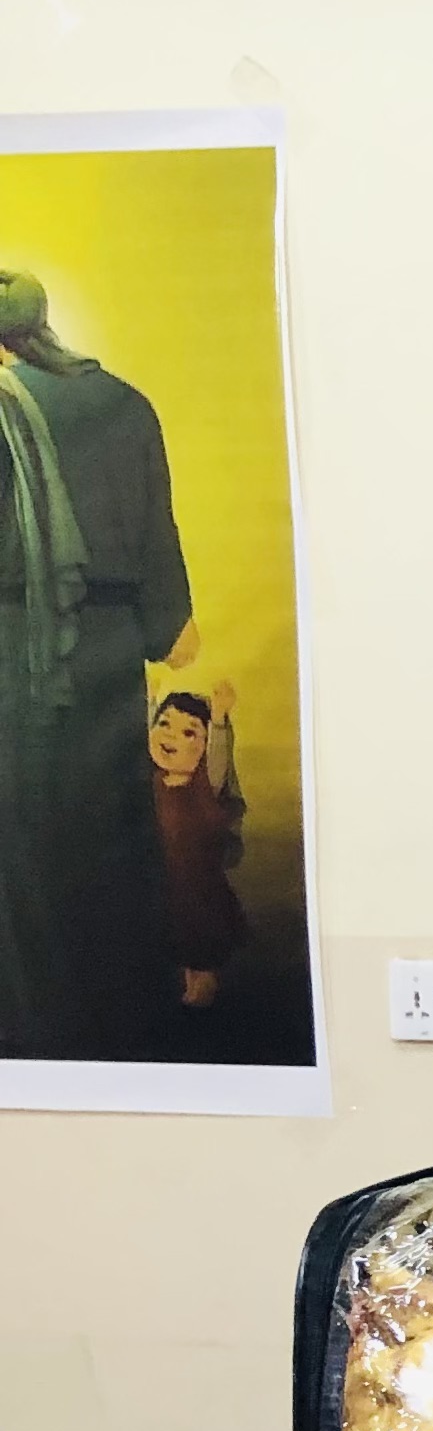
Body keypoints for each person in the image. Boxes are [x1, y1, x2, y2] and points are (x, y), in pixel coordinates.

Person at [0, 264, 196, 1056]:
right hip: (108, 653)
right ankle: (122, 1037)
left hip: (15, 655)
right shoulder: (123, 401)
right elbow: (159, 546)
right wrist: (166, 626)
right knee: (109, 840)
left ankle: (34, 1040)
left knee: (21, 854)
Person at [147, 680, 249, 1005]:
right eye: (165, 724)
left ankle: (203, 1002)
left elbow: (219, 757)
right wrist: (151, 700)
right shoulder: (150, 783)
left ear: (205, 747)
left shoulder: (206, 787)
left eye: (189, 732)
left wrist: (217, 719)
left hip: (200, 894)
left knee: (201, 958)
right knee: (169, 953)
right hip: (164, 889)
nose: (171, 737)